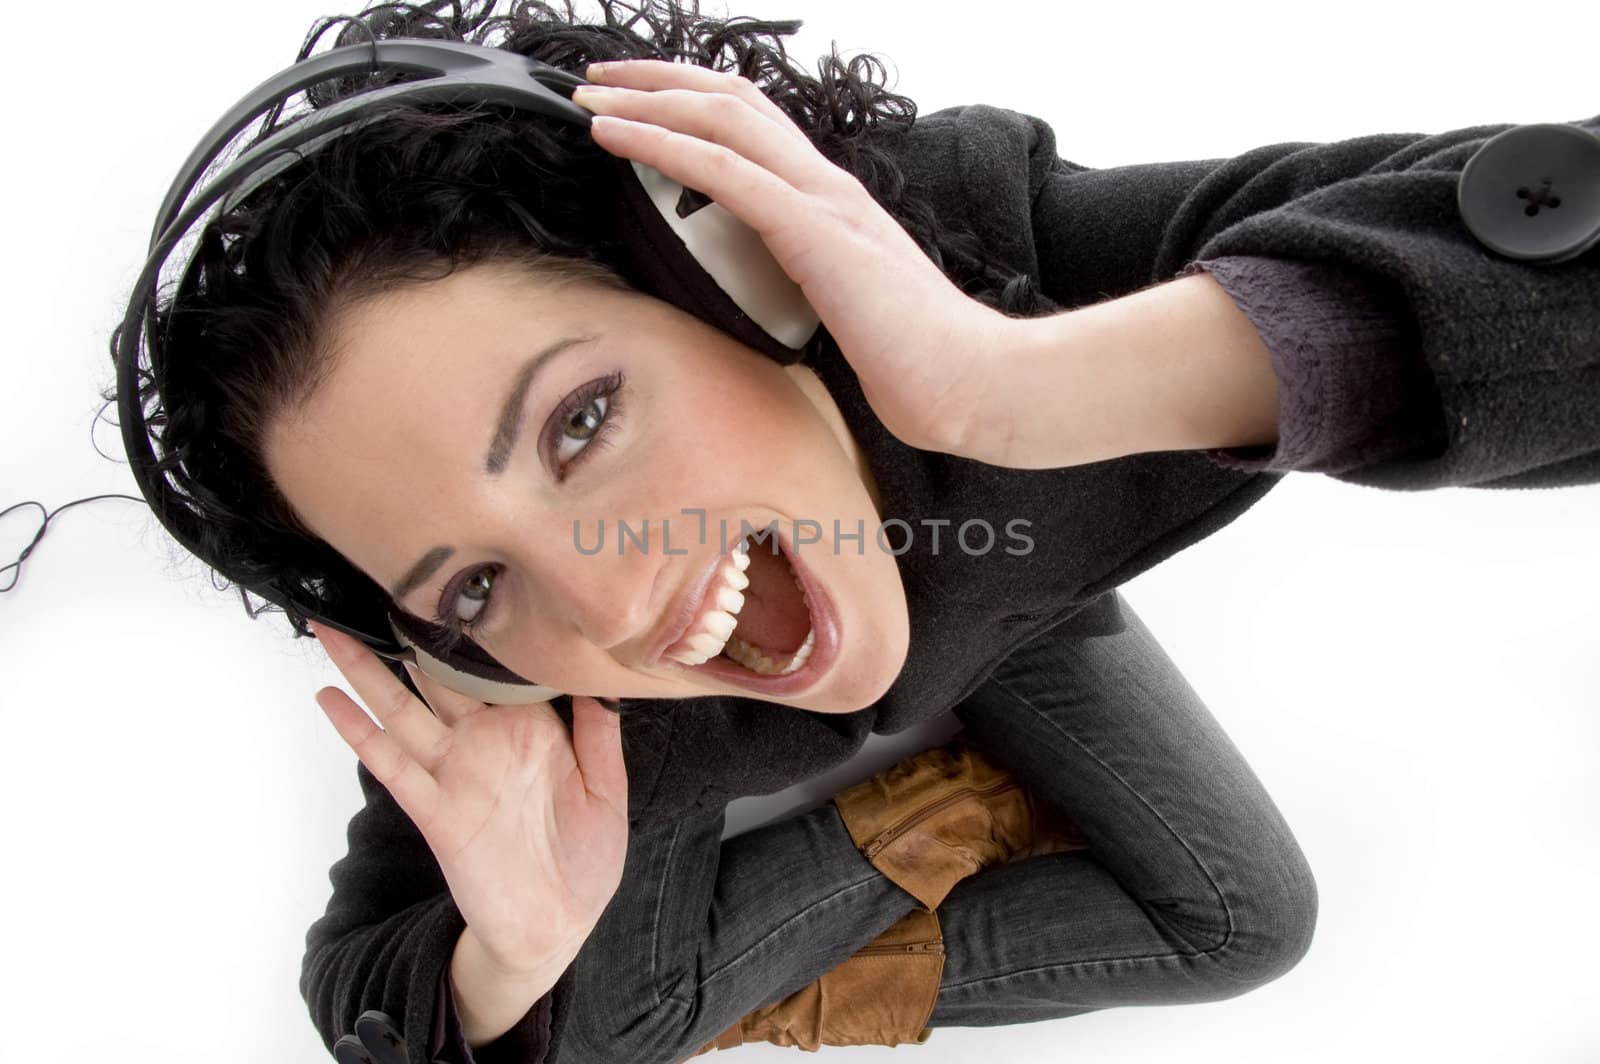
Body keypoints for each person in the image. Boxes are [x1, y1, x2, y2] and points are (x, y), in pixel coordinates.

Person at [111, 1, 1599, 1062]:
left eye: (579, 421)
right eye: (477, 581)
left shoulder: (975, 255)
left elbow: (1550, 229)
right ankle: (794, 914)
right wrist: (512, 952)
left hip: (1011, 601)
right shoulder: (538, 697)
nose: (604, 603)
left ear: (735, 265)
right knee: (586, 1032)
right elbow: (360, 991)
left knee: (1249, 924)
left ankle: (718, 984)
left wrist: (1017, 391)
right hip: (761, 738)